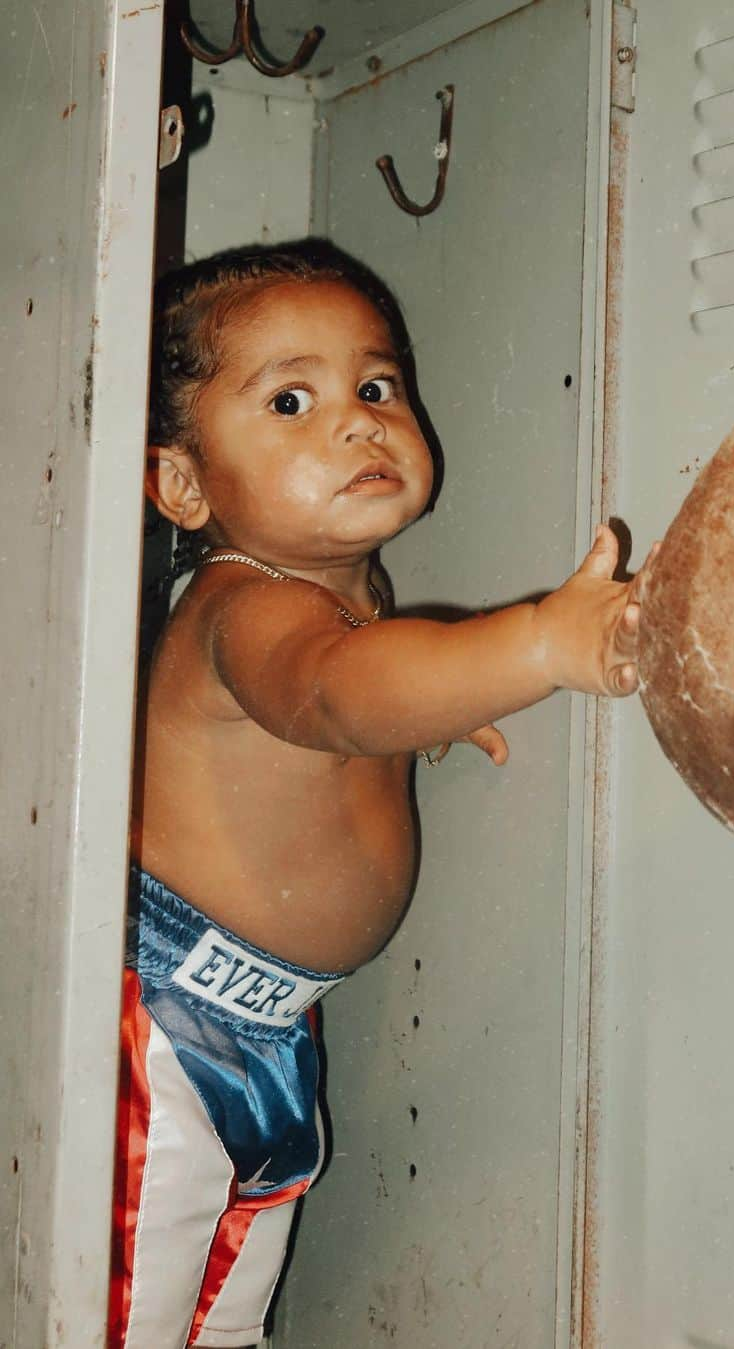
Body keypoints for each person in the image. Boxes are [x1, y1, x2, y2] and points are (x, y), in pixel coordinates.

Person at [110, 239, 645, 1348]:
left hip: (266, 1020)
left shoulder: (350, 600)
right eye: (292, 400)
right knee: (122, 1308)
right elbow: (337, 696)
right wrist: (539, 642)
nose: (355, 421)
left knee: (222, 1306)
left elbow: (365, 699)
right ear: (183, 483)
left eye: (376, 385)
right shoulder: (240, 605)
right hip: (164, 1018)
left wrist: (435, 704)